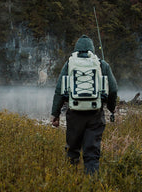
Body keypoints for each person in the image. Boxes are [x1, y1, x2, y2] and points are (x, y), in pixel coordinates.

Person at [50, 35, 118, 175]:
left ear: (76, 49)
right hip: (95, 114)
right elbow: (113, 89)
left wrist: (55, 114)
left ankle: (71, 183)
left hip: (74, 113)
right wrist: (111, 108)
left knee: (72, 150)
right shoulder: (102, 64)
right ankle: (92, 185)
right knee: (92, 152)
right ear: (92, 50)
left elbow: (59, 90)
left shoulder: (69, 64)